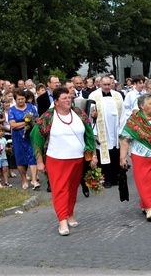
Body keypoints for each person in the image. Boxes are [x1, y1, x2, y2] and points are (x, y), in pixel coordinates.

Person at [31, 86, 96, 236]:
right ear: (56, 102)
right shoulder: (47, 117)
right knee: (60, 190)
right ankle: (62, 221)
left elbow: (90, 135)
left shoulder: (79, 114)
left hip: (77, 158)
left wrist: (93, 154)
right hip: (56, 159)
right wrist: (40, 161)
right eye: (64, 98)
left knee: (73, 189)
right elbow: (36, 138)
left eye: (69, 97)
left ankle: (70, 213)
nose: (68, 100)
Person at [119, 93, 151, 221]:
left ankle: (145, 203)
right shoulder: (133, 122)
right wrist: (122, 157)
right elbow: (125, 140)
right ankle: (149, 208)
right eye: (150, 103)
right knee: (144, 182)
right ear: (142, 106)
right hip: (141, 157)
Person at [87, 75, 123, 189]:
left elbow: (123, 114)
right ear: (100, 84)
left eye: (109, 84)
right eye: (105, 85)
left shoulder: (117, 95)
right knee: (103, 154)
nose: (107, 87)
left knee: (115, 152)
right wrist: (95, 132)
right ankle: (106, 178)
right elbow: (89, 115)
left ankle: (115, 177)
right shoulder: (93, 95)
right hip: (101, 128)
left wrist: (122, 130)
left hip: (115, 128)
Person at [9, 88, 39, 190]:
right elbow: (12, 125)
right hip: (18, 137)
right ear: (15, 100)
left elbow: (36, 120)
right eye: (18, 99)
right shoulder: (12, 110)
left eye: (22, 99)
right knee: (20, 159)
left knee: (33, 156)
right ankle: (24, 180)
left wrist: (31, 124)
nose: (21, 101)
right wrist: (25, 123)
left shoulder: (31, 107)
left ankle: (34, 180)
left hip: (30, 135)